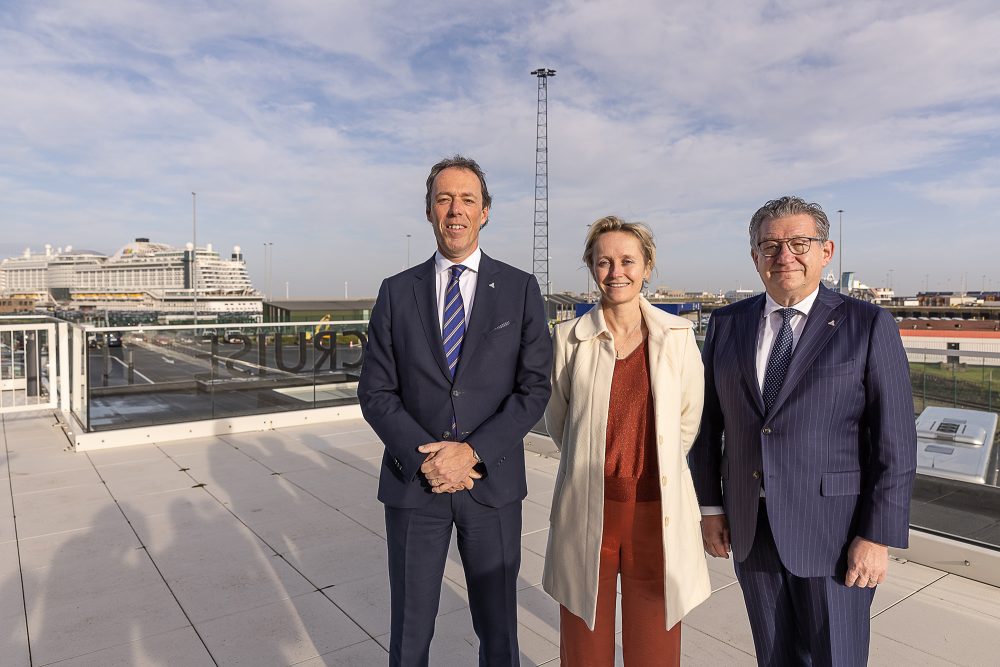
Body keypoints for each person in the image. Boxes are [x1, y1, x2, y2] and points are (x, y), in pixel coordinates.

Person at [689, 196, 917, 666]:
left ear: (826, 252)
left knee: (838, 656)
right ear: (754, 257)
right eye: (770, 246)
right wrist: (711, 507)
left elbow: (895, 442)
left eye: (799, 243)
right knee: (774, 656)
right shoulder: (727, 324)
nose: (784, 256)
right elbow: (708, 426)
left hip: (835, 534)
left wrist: (877, 537)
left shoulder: (868, 324)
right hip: (752, 529)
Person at [358, 155, 552, 666]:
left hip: (491, 487)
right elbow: (376, 391)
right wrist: (427, 459)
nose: (455, 210)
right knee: (410, 632)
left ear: (485, 211)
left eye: (467, 199)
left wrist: (471, 453)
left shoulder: (520, 289)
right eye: (443, 199)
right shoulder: (397, 292)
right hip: (413, 485)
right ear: (429, 212)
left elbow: (534, 389)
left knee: (498, 633)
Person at [543, 216, 711, 666]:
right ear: (592, 268)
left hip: (658, 511)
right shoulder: (567, 339)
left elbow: (686, 424)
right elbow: (562, 422)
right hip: (588, 505)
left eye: (627, 261)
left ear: (648, 266)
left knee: (655, 644)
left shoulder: (677, 338)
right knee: (583, 642)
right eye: (604, 262)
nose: (616, 271)